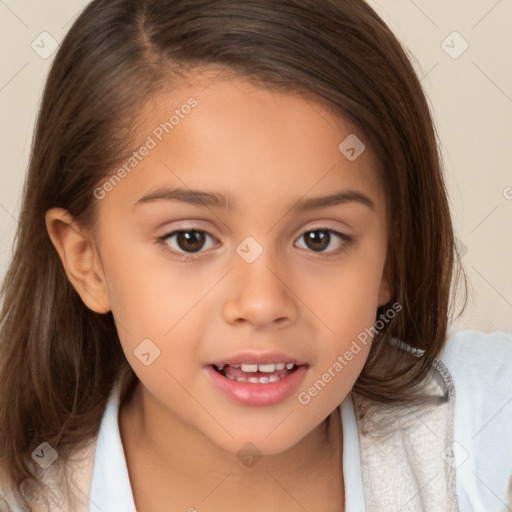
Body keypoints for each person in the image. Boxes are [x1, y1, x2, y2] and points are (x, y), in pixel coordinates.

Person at [0, 0, 510, 511]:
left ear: (390, 258)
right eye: (190, 240)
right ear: (87, 261)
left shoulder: (486, 433)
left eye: (319, 239)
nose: (263, 303)